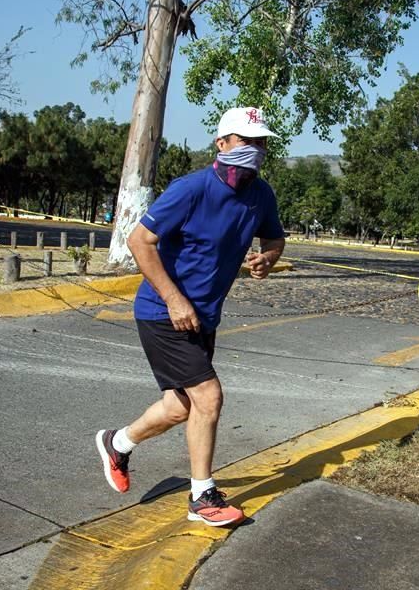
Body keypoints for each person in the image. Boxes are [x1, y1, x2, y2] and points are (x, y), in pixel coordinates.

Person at [95, 107, 286, 527]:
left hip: (204, 318)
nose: (255, 150)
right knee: (209, 397)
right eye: (245, 141)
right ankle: (202, 497)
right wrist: (173, 299)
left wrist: (267, 257)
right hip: (163, 313)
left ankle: (118, 442)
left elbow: (275, 235)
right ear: (222, 144)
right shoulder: (191, 189)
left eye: (261, 142)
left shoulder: (261, 194)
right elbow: (139, 241)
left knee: (180, 406)